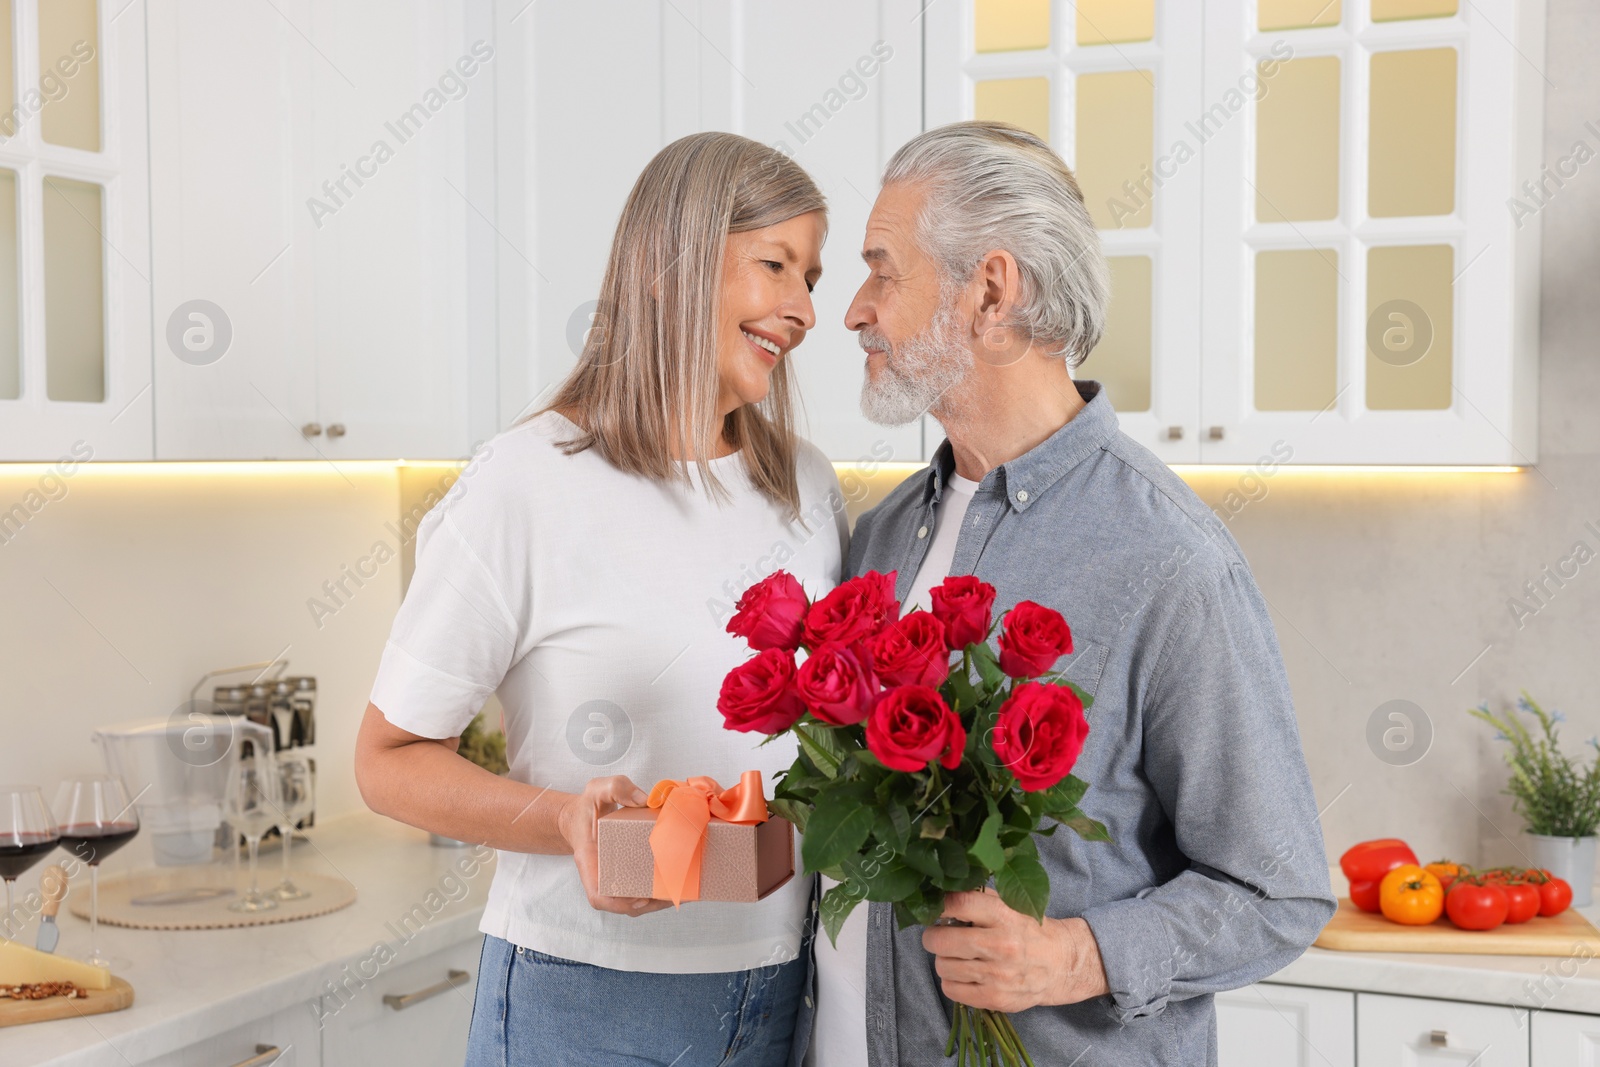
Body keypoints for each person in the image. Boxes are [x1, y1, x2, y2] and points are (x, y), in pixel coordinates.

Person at [797, 120, 1336, 1066]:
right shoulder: (882, 535)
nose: (853, 310)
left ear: (991, 291)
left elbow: (1279, 888)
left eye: (884, 270)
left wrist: (1077, 954)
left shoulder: (1169, 557)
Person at [355, 131, 848, 1067]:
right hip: (586, 1003)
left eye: (813, 278)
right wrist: (566, 821)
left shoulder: (808, 490)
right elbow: (387, 759)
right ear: (670, 266)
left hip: (782, 988)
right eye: (774, 266)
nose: (802, 309)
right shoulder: (526, 483)